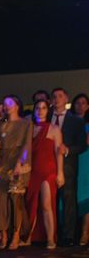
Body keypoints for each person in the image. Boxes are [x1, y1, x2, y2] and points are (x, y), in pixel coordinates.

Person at [0, 95, 32, 250]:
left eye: (9, 103)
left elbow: (27, 145)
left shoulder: (26, 124)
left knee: (16, 201)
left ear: (17, 106)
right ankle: (4, 234)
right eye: (5, 103)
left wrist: (20, 163)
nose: (6, 106)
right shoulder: (2, 125)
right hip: (3, 163)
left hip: (19, 164)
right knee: (1, 199)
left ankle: (16, 234)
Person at [25, 100, 64, 249]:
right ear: (34, 110)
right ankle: (28, 237)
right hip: (31, 171)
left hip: (48, 171)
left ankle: (50, 239)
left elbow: (58, 152)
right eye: (37, 108)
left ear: (48, 111)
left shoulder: (54, 129)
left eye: (43, 108)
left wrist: (60, 173)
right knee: (31, 204)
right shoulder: (29, 128)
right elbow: (24, 152)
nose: (40, 110)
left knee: (47, 204)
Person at [51, 88, 87, 246]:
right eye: (54, 96)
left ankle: (68, 236)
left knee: (68, 200)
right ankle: (50, 234)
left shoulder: (77, 121)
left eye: (60, 96)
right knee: (48, 201)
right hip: (47, 165)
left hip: (68, 166)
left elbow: (82, 146)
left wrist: (68, 150)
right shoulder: (44, 118)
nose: (57, 99)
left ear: (66, 98)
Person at [71, 93, 89, 246]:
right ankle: (72, 233)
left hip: (86, 161)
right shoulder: (69, 123)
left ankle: (85, 232)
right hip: (72, 160)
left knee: (85, 196)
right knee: (73, 196)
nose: (80, 105)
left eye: (84, 103)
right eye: (77, 103)